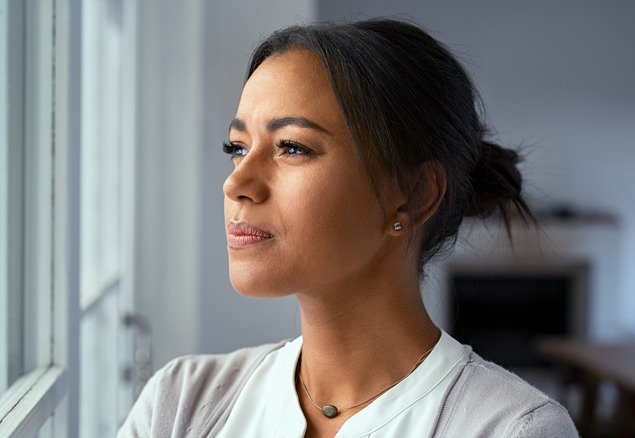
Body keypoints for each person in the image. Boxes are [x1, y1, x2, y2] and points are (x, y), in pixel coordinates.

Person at [118, 19, 578, 438]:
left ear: (414, 195)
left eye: (292, 147)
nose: (236, 182)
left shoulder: (510, 430)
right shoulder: (180, 404)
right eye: (237, 147)